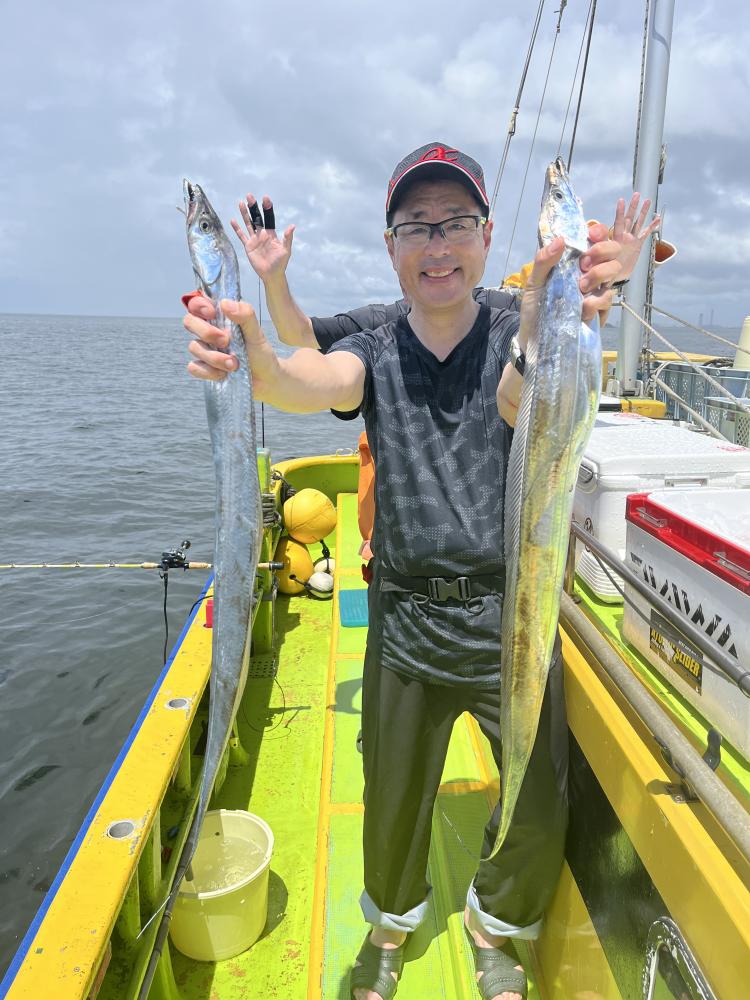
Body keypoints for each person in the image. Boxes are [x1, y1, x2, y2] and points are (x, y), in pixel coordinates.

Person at [182, 142, 648, 1000]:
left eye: (456, 223)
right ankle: (390, 926)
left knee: (537, 798)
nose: (438, 244)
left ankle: (494, 924)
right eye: (417, 227)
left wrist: (566, 311)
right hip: (404, 621)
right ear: (391, 245)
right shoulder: (376, 340)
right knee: (392, 800)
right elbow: (310, 375)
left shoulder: (515, 322)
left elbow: (521, 399)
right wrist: (252, 358)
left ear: (487, 235)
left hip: (510, 614)